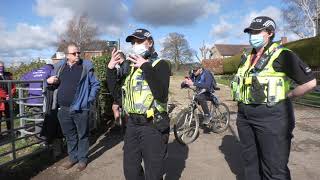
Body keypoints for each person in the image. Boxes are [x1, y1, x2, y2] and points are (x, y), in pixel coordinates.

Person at [231, 16, 317, 180]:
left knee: (274, 167)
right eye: (250, 32)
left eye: (257, 32)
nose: (252, 35)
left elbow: (310, 82)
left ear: (270, 33)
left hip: (272, 117)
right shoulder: (246, 58)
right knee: (250, 163)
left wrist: (289, 95)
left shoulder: (283, 55)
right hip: (244, 116)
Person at [107, 28, 170, 180]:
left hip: (152, 126)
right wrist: (110, 70)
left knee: (154, 174)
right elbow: (118, 95)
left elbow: (161, 95)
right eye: (134, 42)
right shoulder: (130, 68)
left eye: (140, 41)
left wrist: (145, 66)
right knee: (131, 172)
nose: (136, 45)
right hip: (132, 126)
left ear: (150, 42)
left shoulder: (160, 64)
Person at [47, 44, 100, 171]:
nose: (77, 55)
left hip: (81, 108)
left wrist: (88, 100)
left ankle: (82, 159)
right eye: (74, 53)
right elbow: (52, 84)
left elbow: (95, 84)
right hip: (63, 108)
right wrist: (49, 81)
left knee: (82, 135)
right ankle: (73, 158)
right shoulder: (60, 67)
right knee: (69, 135)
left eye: (78, 53)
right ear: (67, 55)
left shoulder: (85, 66)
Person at [20, 64, 54, 137]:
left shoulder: (33, 71)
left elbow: (22, 81)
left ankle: (40, 136)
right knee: (46, 117)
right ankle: (42, 137)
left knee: (38, 117)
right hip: (43, 99)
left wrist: (30, 85)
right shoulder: (50, 71)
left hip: (32, 99)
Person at [107, 51, 130, 128]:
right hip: (121, 91)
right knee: (115, 107)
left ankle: (127, 126)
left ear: (118, 58)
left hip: (124, 92)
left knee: (125, 110)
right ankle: (118, 124)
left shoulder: (126, 64)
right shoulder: (122, 65)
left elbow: (125, 76)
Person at [0, 61, 16, 136]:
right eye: (0, 67)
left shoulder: (8, 75)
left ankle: (10, 131)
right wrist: (4, 96)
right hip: (1, 99)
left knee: (9, 115)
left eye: (2, 67)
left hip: (8, 98)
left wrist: (10, 94)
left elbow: (13, 86)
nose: (1, 68)